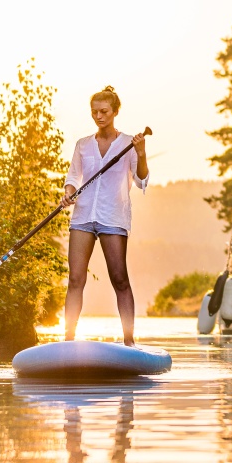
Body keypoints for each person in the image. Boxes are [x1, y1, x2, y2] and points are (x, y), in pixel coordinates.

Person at [58, 86, 149, 345]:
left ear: (115, 111)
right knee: (75, 278)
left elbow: (141, 180)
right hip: (83, 216)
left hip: (113, 217)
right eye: (94, 112)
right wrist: (69, 192)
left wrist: (141, 154)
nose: (99, 116)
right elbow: (73, 176)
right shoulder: (83, 145)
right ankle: (68, 339)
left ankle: (129, 341)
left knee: (120, 279)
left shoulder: (129, 144)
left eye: (104, 112)